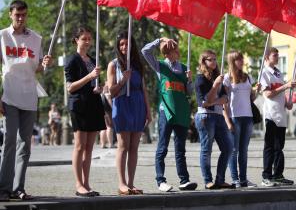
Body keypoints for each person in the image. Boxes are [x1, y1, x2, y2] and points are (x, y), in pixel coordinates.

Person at [0, 0, 52, 201]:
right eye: (17, 15)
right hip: (10, 95)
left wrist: (45, 64)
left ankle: (18, 188)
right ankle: (3, 188)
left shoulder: (36, 38)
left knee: (25, 145)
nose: (21, 18)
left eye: (24, 15)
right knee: (10, 142)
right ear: (10, 15)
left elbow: (37, 67)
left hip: (30, 96)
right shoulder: (3, 36)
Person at [142, 37, 197, 192]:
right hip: (166, 111)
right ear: (166, 53)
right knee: (162, 147)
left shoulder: (184, 68)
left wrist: (190, 80)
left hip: (181, 112)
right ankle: (161, 180)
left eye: (176, 50)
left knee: (180, 149)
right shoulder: (160, 66)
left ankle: (184, 180)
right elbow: (144, 51)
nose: (177, 53)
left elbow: (189, 92)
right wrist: (159, 40)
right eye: (173, 50)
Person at [107, 32, 151, 195]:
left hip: (138, 104)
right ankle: (122, 183)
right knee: (123, 146)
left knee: (134, 147)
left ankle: (131, 183)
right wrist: (123, 80)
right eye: (121, 44)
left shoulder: (138, 64)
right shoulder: (114, 65)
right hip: (122, 104)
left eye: (127, 44)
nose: (125, 47)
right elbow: (111, 92)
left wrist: (148, 110)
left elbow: (143, 88)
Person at [65, 27, 106, 197]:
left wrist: (100, 87)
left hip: (94, 105)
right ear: (76, 40)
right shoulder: (71, 60)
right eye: (84, 39)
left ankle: (87, 183)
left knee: (89, 148)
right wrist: (89, 77)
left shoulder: (92, 59)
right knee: (80, 146)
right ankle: (78, 184)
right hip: (79, 106)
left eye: (89, 39)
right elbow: (70, 88)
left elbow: (94, 84)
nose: (88, 42)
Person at [194, 50, 234, 190]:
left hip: (218, 116)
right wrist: (215, 86)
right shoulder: (200, 79)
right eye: (210, 59)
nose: (214, 62)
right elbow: (204, 102)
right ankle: (208, 181)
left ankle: (220, 179)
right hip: (205, 117)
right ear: (204, 62)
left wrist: (212, 101)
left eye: (215, 59)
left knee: (228, 148)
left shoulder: (218, 77)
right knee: (207, 149)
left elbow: (225, 99)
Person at [259, 47, 296, 187]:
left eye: (278, 55)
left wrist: (288, 102)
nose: (277, 57)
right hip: (271, 115)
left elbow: (281, 93)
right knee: (270, 146)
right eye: (275, 55)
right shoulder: (264, 73)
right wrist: (285, 86)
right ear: (267, 57)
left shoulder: (278, 73)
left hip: (281, 115)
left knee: (279, 147)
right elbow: (267, 94)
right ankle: (266, 176)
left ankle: (278, 175)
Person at [223, 50, 259, 188]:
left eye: (242, 59)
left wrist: (256, 91)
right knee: (234, 150)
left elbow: (251, 99)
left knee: (244, 150)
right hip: (235, 117)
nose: (242, 61)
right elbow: (224, 102)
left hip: (248, 117)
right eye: (238, 59)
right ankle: (235, 179)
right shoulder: (227, 78)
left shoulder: (247, 77)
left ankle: (243, 179)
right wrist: (227, 120)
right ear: (232, 61)